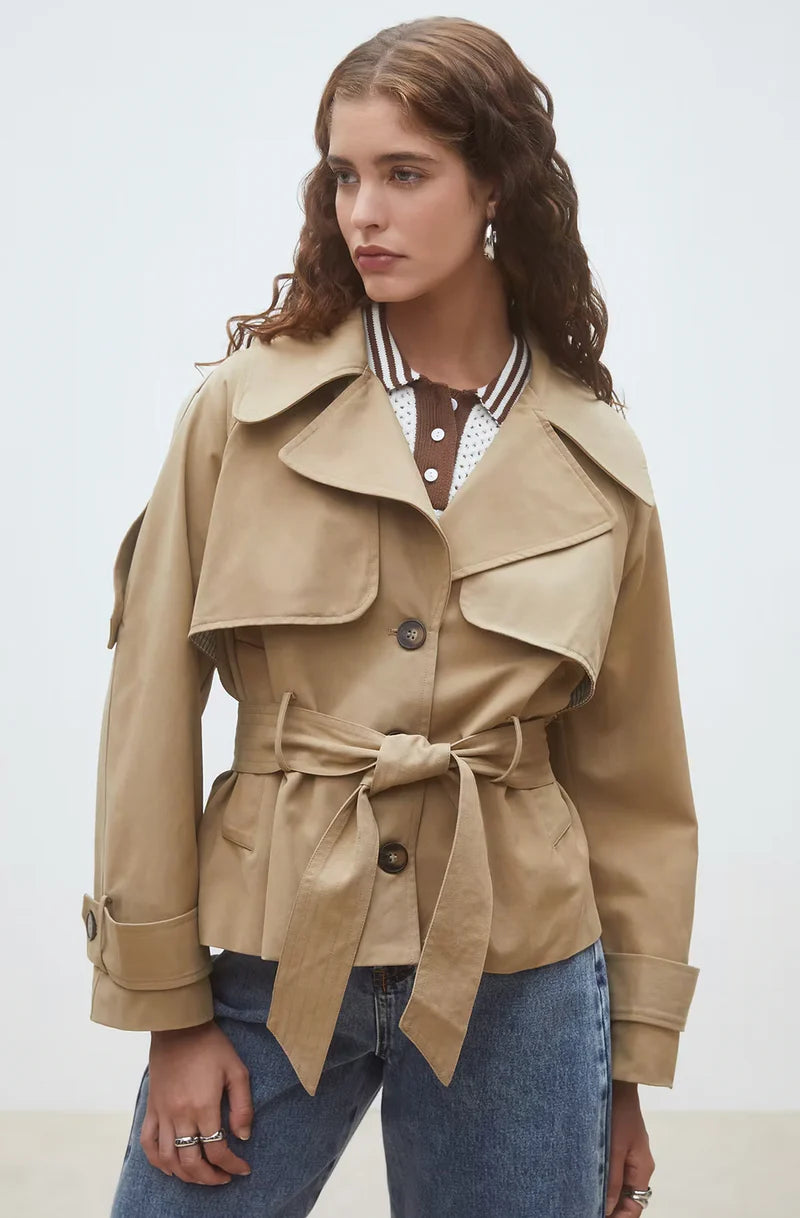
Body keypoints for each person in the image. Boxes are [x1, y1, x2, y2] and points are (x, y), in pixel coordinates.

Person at [81, 16, 700, 1218]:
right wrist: (169, 1014)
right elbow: (148, 708)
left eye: (404, 174)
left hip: (525, 979)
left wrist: (621, 1069)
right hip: (268, 944)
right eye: (343, 175)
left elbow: (631, 780)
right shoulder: (242, 417)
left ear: (495, 190)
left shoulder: (597, 457)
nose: (362, 210)